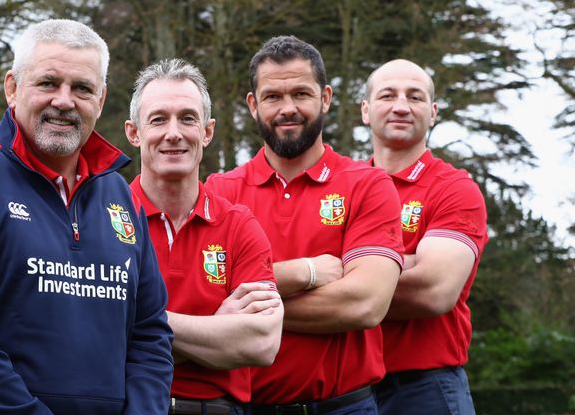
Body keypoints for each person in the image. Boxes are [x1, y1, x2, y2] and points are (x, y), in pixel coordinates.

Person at [0, 19, 173, 414]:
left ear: (100, 101)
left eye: (82, 88)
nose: (64, 101)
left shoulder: (122, 197)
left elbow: (150, 333)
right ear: (12, 88)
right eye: (48, 83)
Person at [206, 35, 405, 414]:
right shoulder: (219, 191)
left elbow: (364, 303)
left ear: (325, 98)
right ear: (253, 104)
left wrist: (242, 306)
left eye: (301, 94)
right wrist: (306, 272)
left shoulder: (368, 185)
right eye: (272, 97)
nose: (288, 108)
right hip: (244, 408)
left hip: (344, 406)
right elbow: (201, 298)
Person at [124, 58, 283, 415]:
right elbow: (94, 337)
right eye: (159, 119)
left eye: (187, 118)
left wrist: (137, 323)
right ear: (134, 133)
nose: (174, 132)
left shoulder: (239, 225)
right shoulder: (102, 218)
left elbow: (261, 343)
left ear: (207, 131)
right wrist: (216, 328)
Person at [361, 59, 488, 415]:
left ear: (432, 113)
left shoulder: (454, 189)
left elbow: (433, 290)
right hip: (347, 393)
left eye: (414, 97)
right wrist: (407, 260)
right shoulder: (344, 190)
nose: (401, 106)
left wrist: (342, 270)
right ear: (366, 111)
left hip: (425, 389)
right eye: (388, 95)